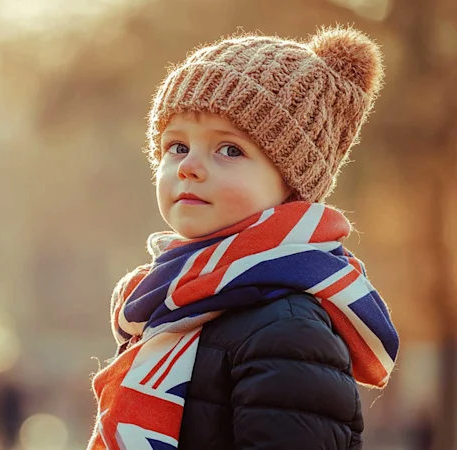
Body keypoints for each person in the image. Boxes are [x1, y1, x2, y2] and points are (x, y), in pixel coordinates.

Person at [87, 26, 400, 450]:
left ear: (290, 185)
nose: (188, 167)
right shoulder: (172, 302)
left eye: (229, 150)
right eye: (176, 146)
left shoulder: (287, 328)